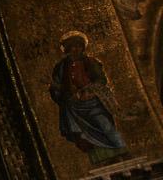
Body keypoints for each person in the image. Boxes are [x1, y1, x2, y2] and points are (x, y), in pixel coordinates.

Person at [48, 31, 127, 164]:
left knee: (105, 125)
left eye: (78, 46)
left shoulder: (91, 62)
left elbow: (101, 79)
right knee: (85, 135)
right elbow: (57, 86)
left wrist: (90, 89)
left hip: (93, 100)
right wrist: (63, 92)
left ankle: (121, 152)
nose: (75, 49)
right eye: (72, 46)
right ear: (67, 49)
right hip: (75, 107)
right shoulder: (61, 67)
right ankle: (100, 160)